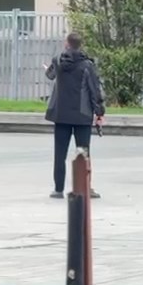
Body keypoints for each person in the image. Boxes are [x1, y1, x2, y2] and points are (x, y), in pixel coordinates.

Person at [44, 32, 104, 200]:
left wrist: (48, 69)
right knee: (83, 154)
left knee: (59, 153)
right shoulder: (87, 65)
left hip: (61, 114)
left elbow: (50, 75)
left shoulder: (57, 60)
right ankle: (84, 188)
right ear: (80, 45)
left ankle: (58, 189)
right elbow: (94, 90)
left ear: (66, 44)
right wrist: (99, 112)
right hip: (82, 115)